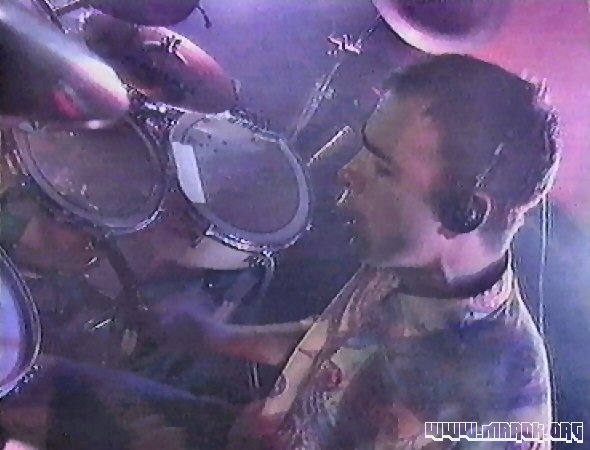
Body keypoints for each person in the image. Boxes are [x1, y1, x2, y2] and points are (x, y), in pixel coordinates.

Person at [151, 53, 561, 449]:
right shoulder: (409, 258)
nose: (347, 171)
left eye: (383, 169)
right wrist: (217, 337)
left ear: (464, 212)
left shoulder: (497, 414)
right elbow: (337, 343)